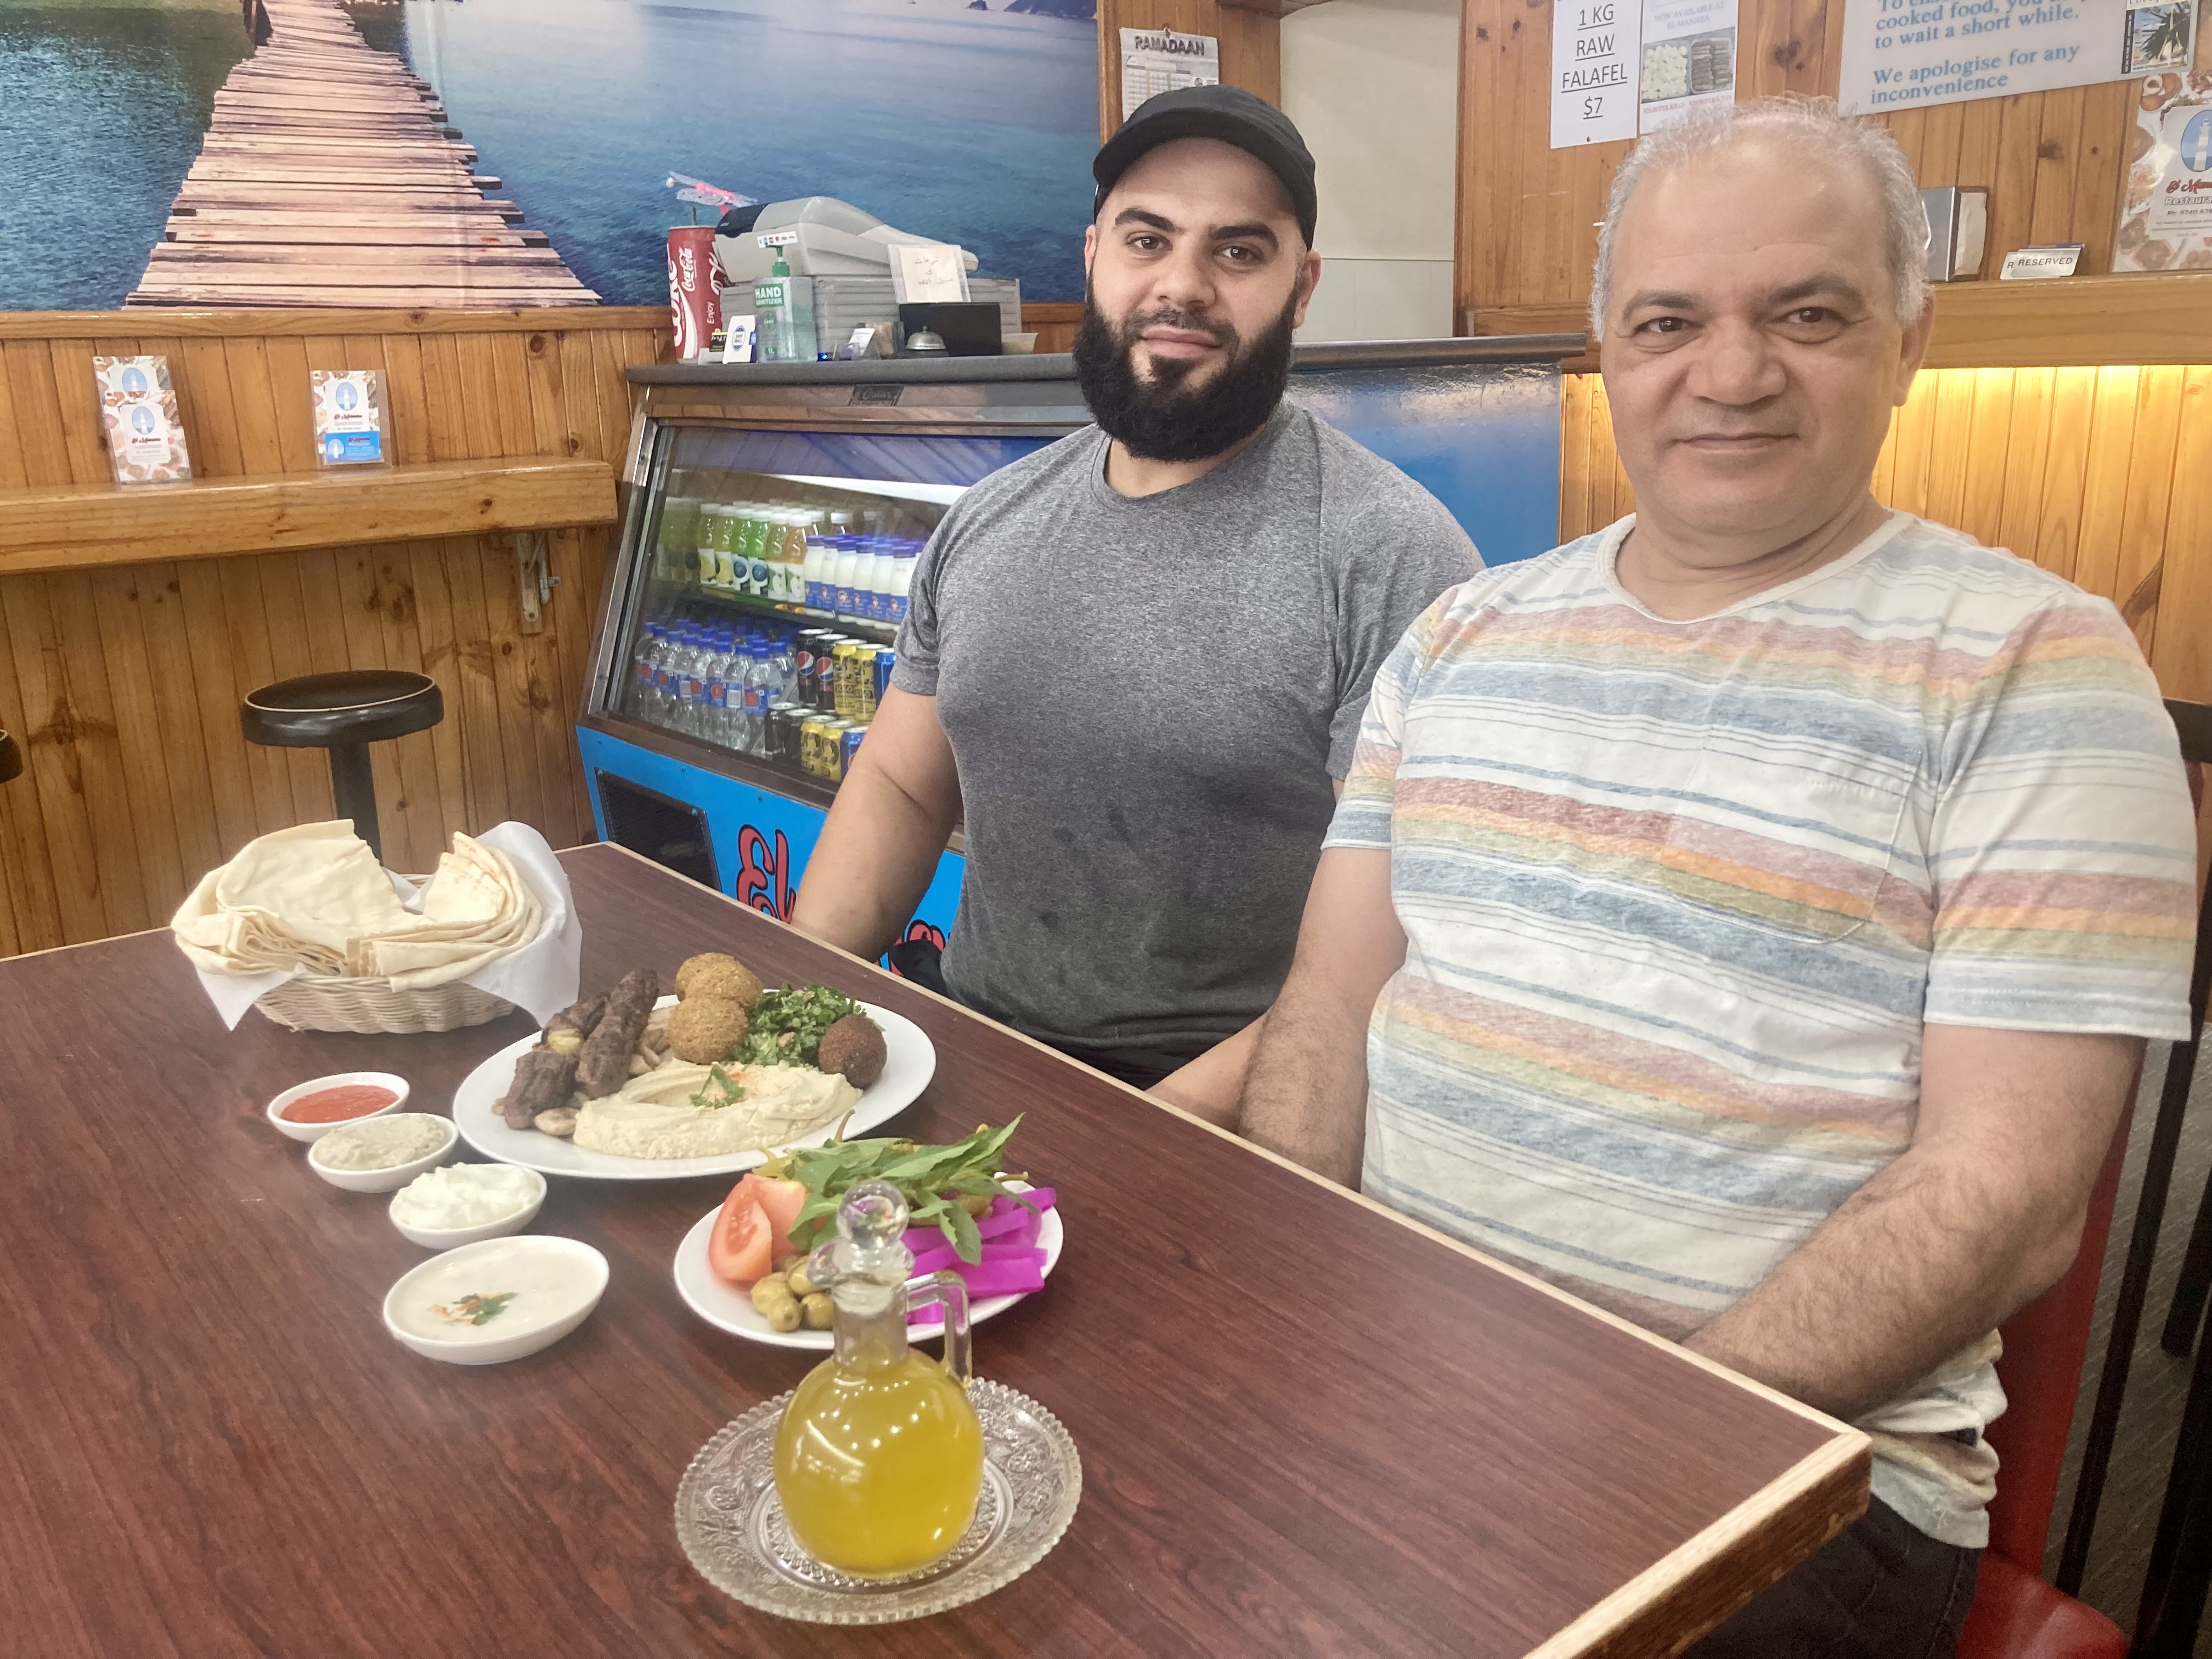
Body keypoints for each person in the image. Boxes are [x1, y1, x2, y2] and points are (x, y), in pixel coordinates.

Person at [1240, 97, 2196, 1657]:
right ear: (1611, 347)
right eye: (1670, 320)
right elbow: (1330, 1005)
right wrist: (1290, 1311)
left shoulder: (2041, 670)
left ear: (1909, 335)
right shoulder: (1463, 636)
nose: (1732, 374)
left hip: (1788, 1469)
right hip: (1388, 1383)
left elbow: (2008, 1197)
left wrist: (1630, 1439)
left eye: (1806, 314)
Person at [790, 86, 1478, 1120]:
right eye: (1147, 239)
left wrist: (1140, 1141)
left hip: (1236, 1109)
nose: (1183, 286)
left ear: (1304, 287)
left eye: (1240, 253)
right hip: (970, 1053)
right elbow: (900, 784)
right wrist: (797, 1014)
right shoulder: (988, 519)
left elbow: (1400, 937)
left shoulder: (1392, 554)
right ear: (1094, 257)